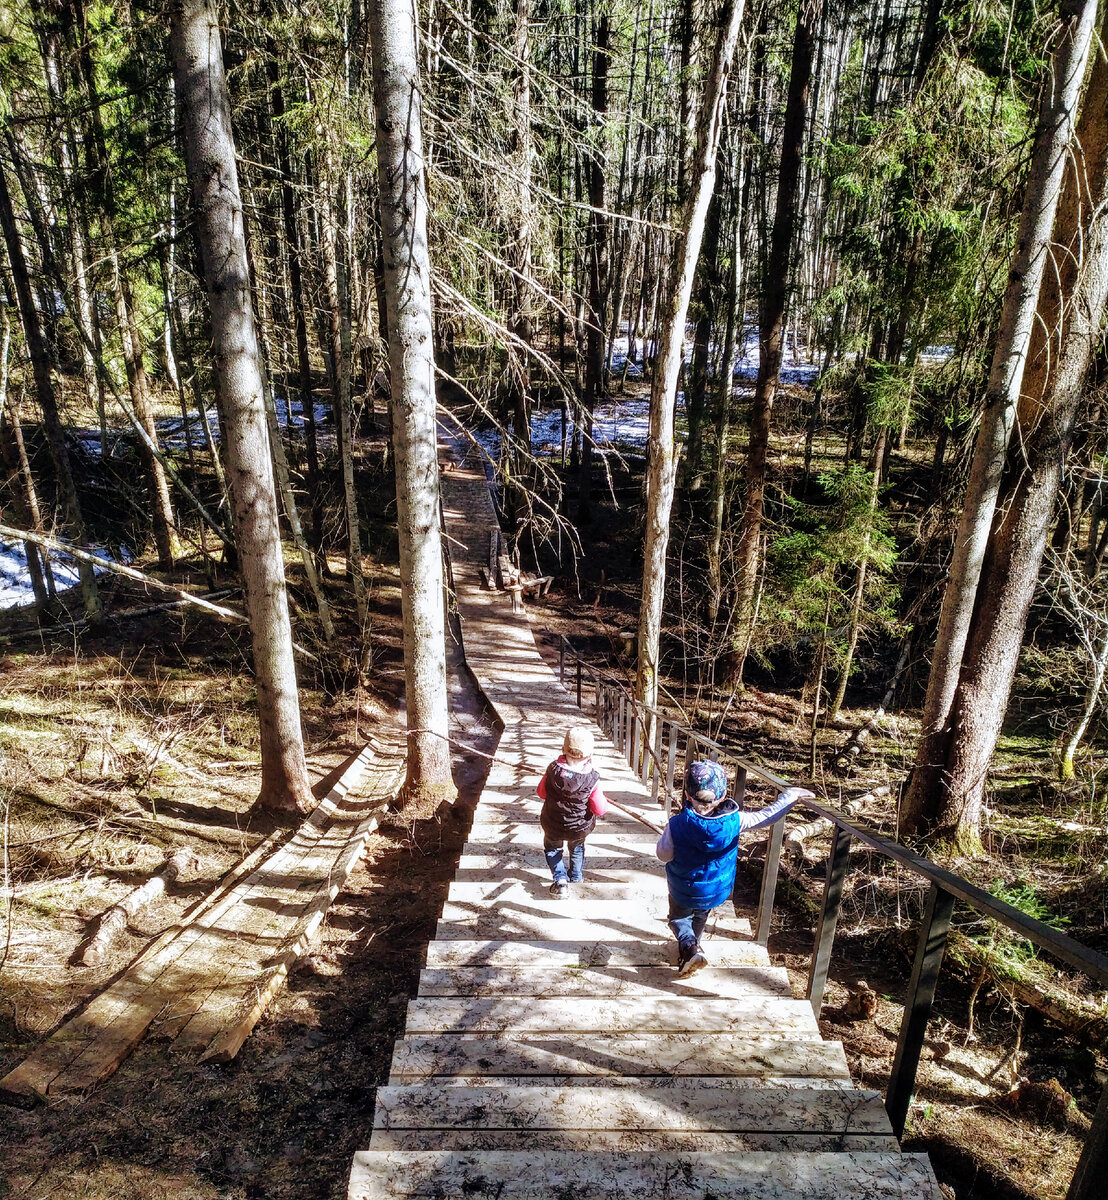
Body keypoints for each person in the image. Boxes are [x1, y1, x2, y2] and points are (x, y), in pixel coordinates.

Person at [656, 760, 814, 977]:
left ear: (688, 794)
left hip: (683, 889)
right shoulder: (736, 821)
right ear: (723, 795)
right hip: (716, 890)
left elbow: (663, 855)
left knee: (678, 919)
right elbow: (767, 816)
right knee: (701, 915)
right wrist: (789, 797)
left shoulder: (676, 825)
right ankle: (694, 948)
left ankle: (689, 946)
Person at [537, 725, 609, 898]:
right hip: (578, 827)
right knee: (576, 847)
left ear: (563, 749)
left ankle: (560, 880)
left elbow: (541, 792)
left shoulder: (553, 769)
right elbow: (599, 809)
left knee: (553, 849)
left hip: (552, 823)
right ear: (590, 754)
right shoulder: (592, 778)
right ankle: (576, 877)